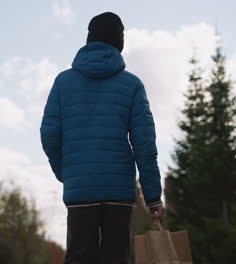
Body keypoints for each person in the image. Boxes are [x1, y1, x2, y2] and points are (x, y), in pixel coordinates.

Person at [40, 12, 164, 264]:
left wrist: (68, 173)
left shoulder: (63, 82)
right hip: (118, 191)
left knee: (79, 258)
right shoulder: (132, 85)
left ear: (88, 39)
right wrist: (153, 196)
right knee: (117, 258)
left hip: (80, 191)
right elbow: (145, 145)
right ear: (120, 42)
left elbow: (49, 133)